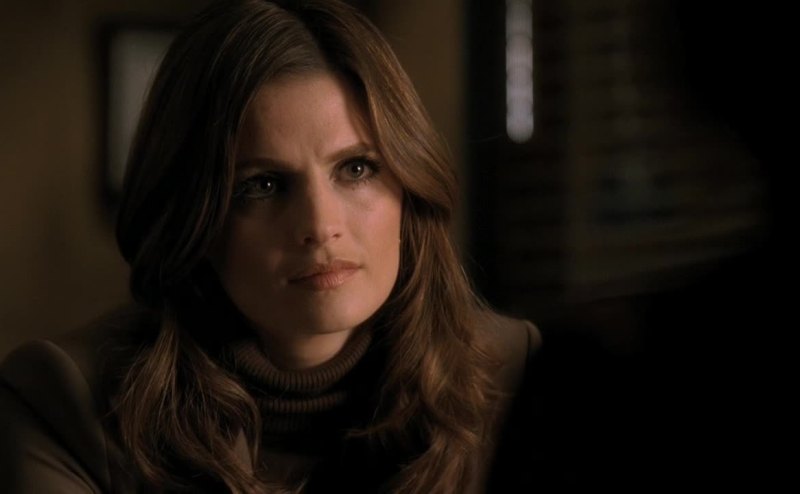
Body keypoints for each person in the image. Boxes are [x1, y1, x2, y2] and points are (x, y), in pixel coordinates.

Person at [0, 0, 540, 492]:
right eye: (261, 185)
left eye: (356, 169)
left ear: (408, 184)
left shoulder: (516, 375)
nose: (320, 226)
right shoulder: (65, 401)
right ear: (195, 218)